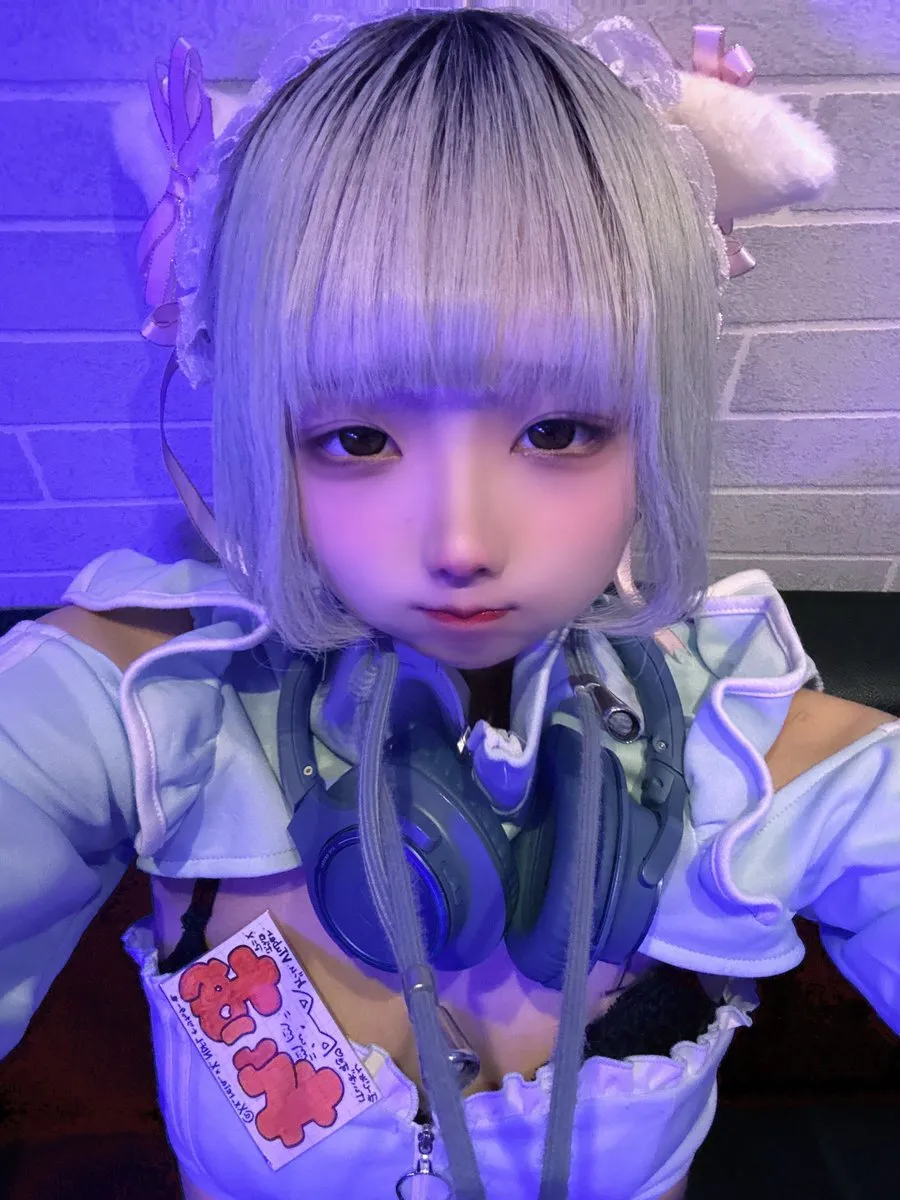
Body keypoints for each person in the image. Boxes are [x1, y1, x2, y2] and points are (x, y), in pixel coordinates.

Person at [1, 7, 897, 1199]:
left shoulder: (752, 751)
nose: (463, 543)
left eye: (560, 428)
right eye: (358, 437)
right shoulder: (142, 710)